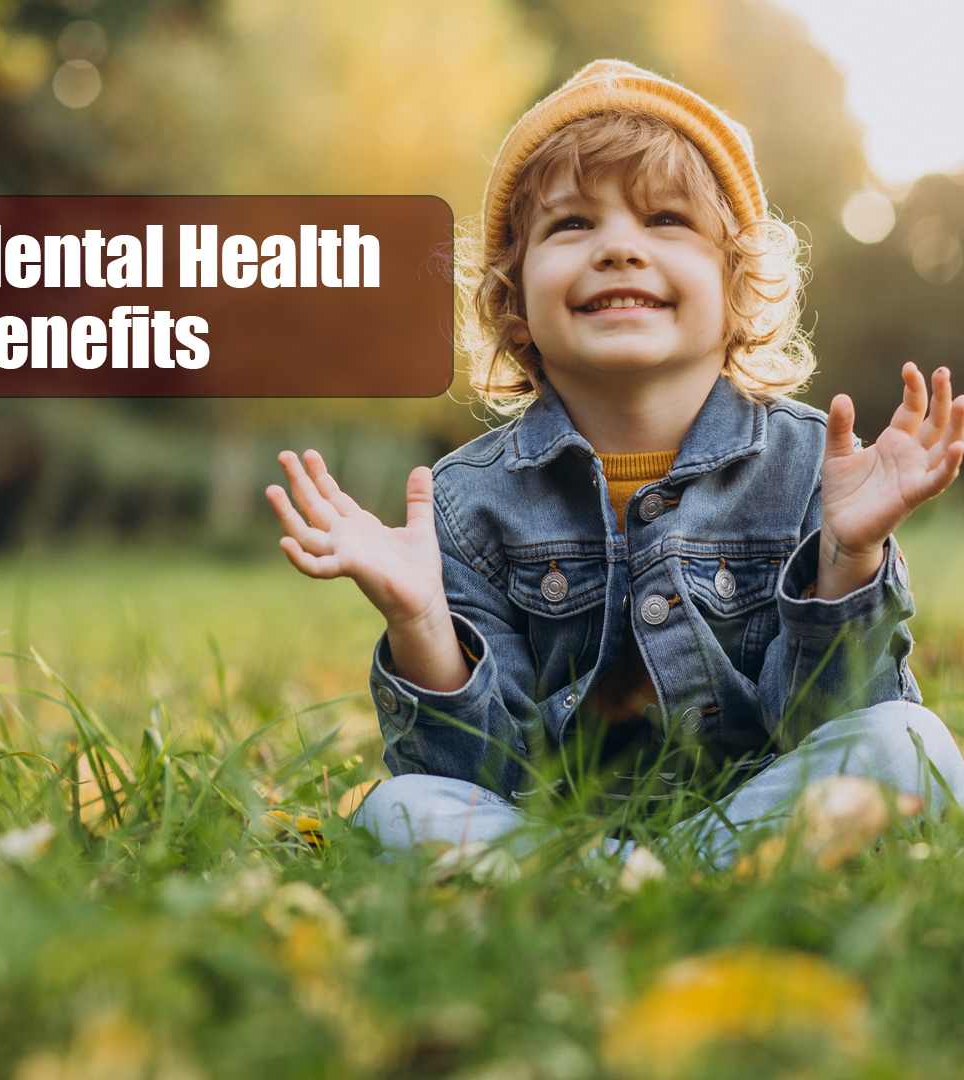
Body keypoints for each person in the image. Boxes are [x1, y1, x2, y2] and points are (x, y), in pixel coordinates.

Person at [265, 60, 964, 866]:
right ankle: (625, 876)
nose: (619, 249)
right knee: (399, 809)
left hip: (762, 810)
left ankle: (650, 876)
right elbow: (483, 776)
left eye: (665, 219)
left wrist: (848, 561)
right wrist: (423, 626)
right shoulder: (466, 506)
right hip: (557, 837)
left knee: (913, 745)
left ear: (736, 284)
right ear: (513, 299)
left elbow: (829, 728)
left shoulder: (814, 468)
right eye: (572, 226)